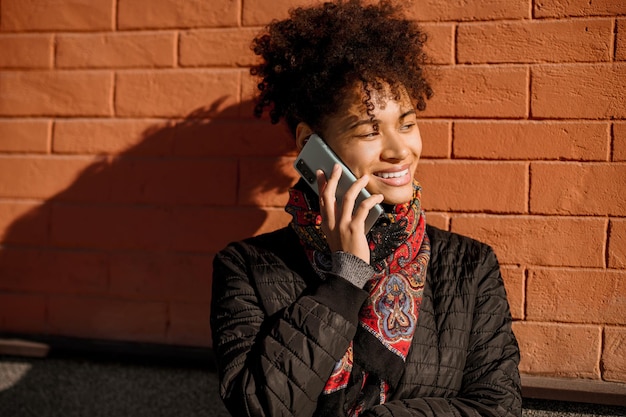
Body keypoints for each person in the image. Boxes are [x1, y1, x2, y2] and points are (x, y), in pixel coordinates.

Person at [210, 1, 522, 416]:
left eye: (407, 124)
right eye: (369, 130)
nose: (399, 150)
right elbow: (261, 408)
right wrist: (345, 278)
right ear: (310, 146)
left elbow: (495, 408)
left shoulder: (469, 267)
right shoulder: (247, 268)